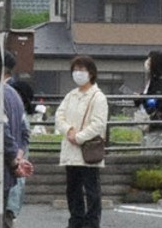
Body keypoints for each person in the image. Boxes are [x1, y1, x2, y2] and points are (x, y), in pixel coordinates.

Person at [55, 55, 108, 228]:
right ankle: (76, 220)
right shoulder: (71, 95)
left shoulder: (98, 97)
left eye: (81, 70)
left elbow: (98, 124)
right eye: (75, 70)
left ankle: (92, 223)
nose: (77, 73)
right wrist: (68, 130)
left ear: (91, 73)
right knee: (73, 189)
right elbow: (59, 116)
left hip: (88, 151)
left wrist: (79, 137)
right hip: (71, 151)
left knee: (92, 190)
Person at [2, 51, 34, 228]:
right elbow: (25, 132)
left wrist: (15, 160)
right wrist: (19, 156)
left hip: (3, 170)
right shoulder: (15, 96)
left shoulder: (0, 95)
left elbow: (3, 132)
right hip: (13, 173)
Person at [135, 50, 162, 148]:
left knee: (153, 150)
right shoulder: (151, 81)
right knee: (147, 147)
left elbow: (155, 101)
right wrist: (140, 98)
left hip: (156, 125)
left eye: (149, 60)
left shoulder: (160, 83)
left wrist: (143, 99)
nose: (147, 63)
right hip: (149, 123)